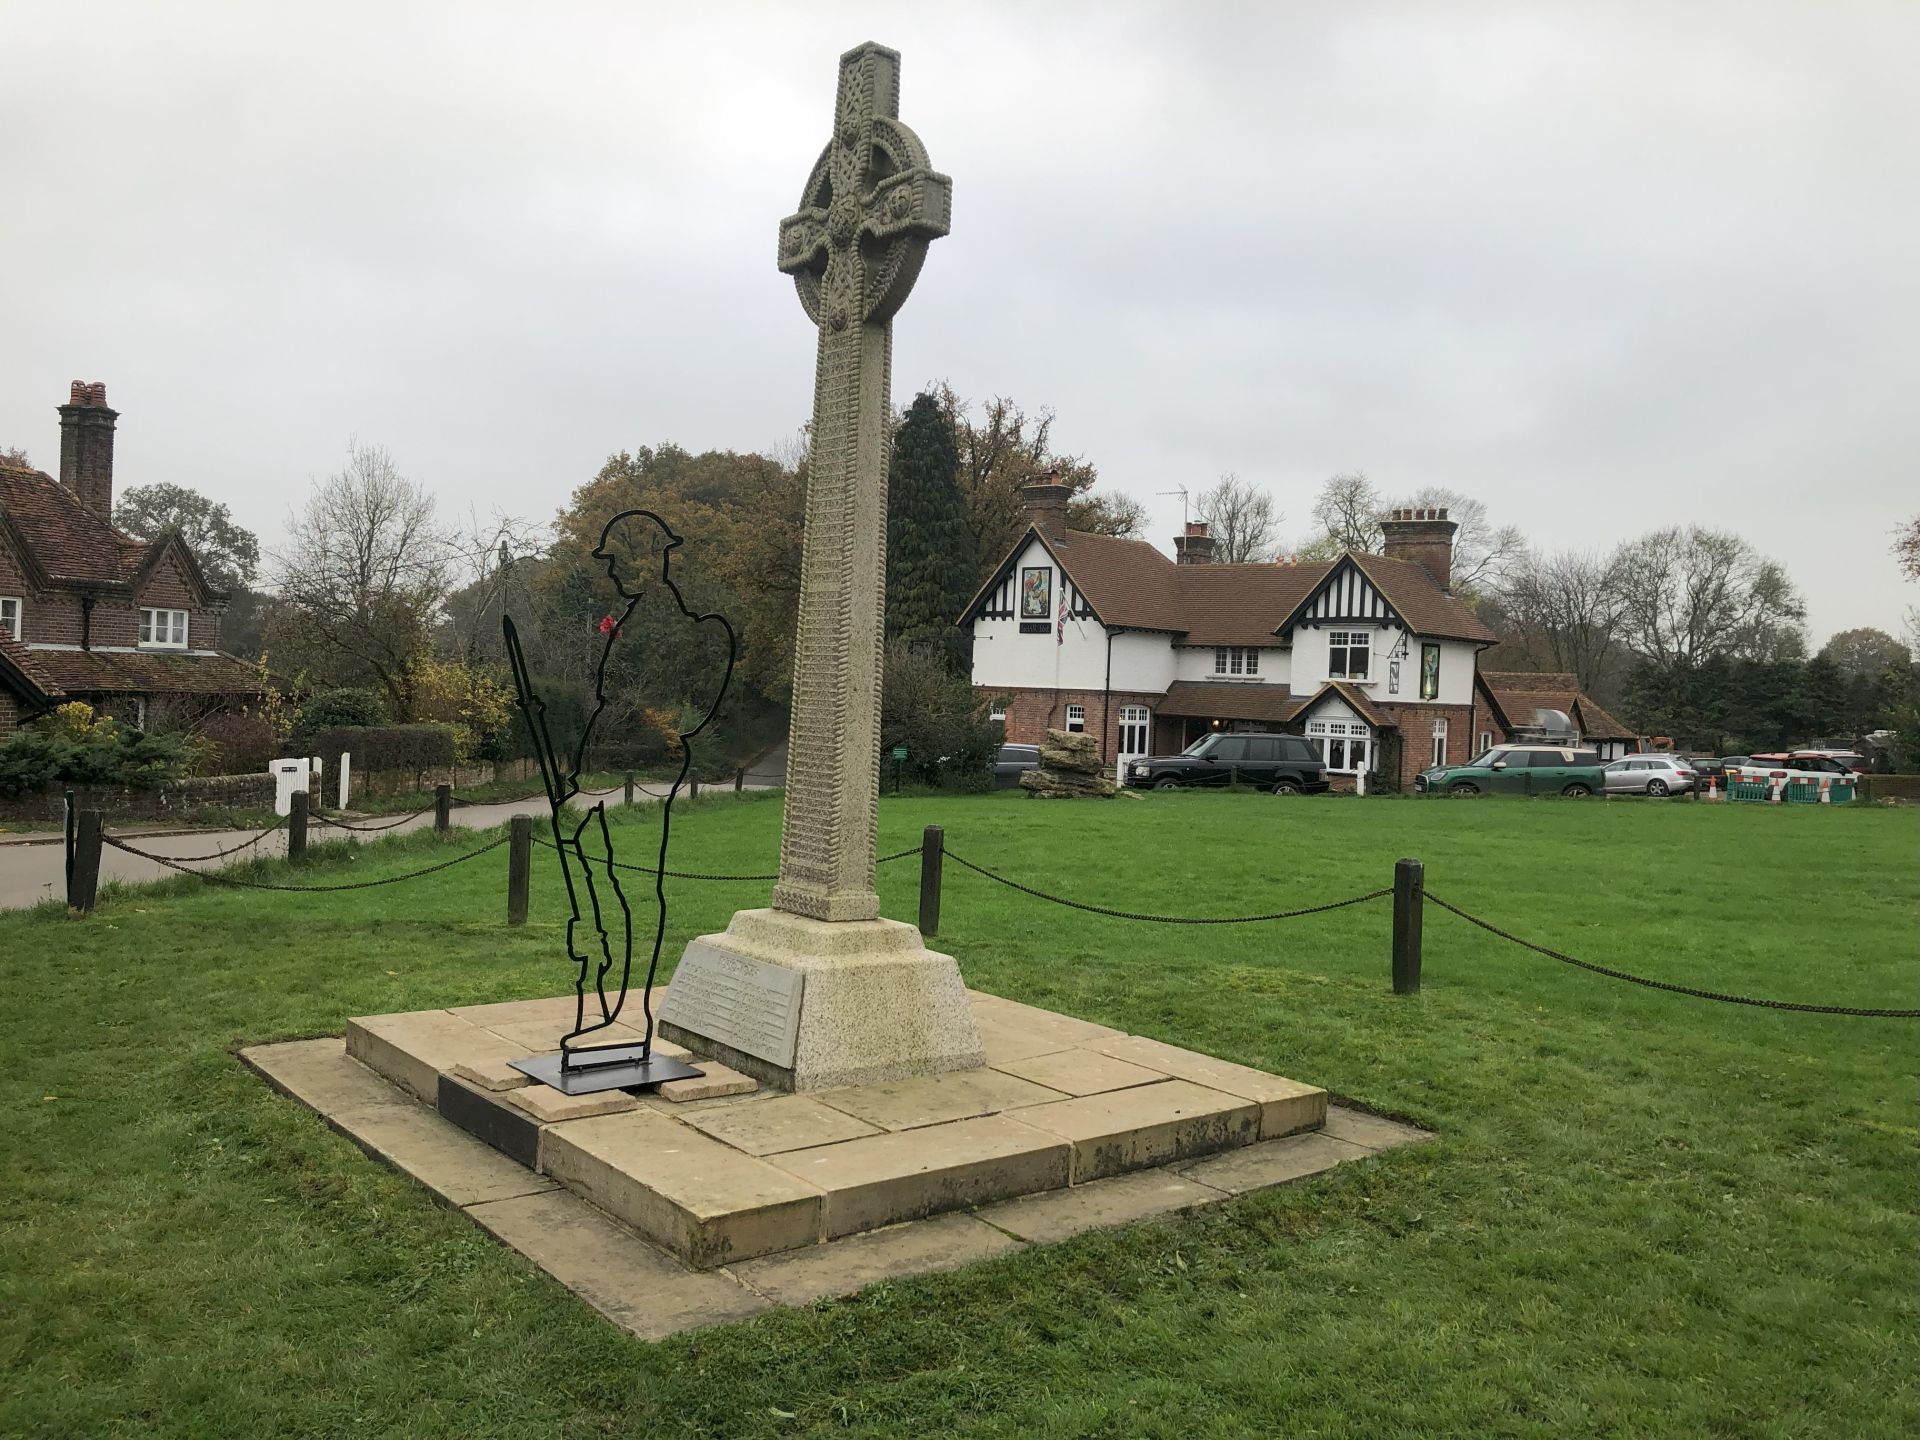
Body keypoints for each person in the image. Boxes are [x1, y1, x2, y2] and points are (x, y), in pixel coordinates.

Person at [501, 509, 736, 1073]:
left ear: (649, 559)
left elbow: (700, 702)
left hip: (649, 791)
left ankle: (628, 1017)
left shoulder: (694, 625)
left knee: (635, 897)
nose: (607, 572)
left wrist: (674, 746)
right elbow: (604, 703)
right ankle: (600, 1009)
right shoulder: (628, 619)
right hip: (590, 792)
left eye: (612, 562)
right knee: (595, 897)